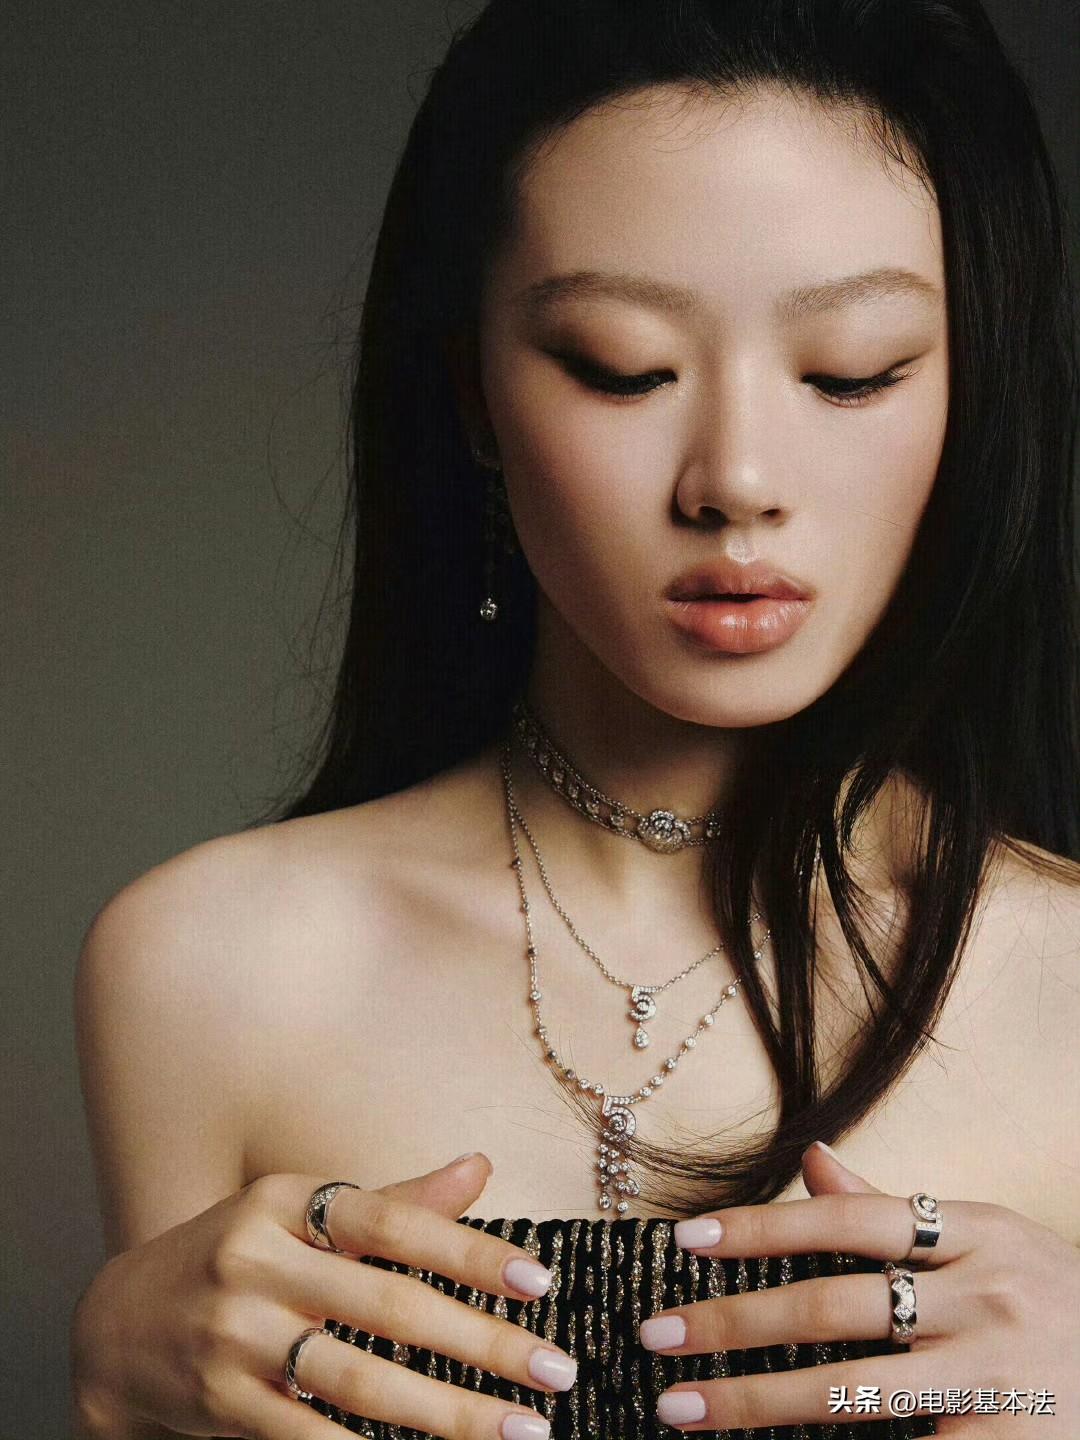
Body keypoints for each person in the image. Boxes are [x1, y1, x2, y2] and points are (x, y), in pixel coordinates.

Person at [71, 0, 1080, 1437]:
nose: (736, 480)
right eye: (622, 366)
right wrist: (110, 1401)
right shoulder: (213, 966)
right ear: (474, 392)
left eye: (851, 370)